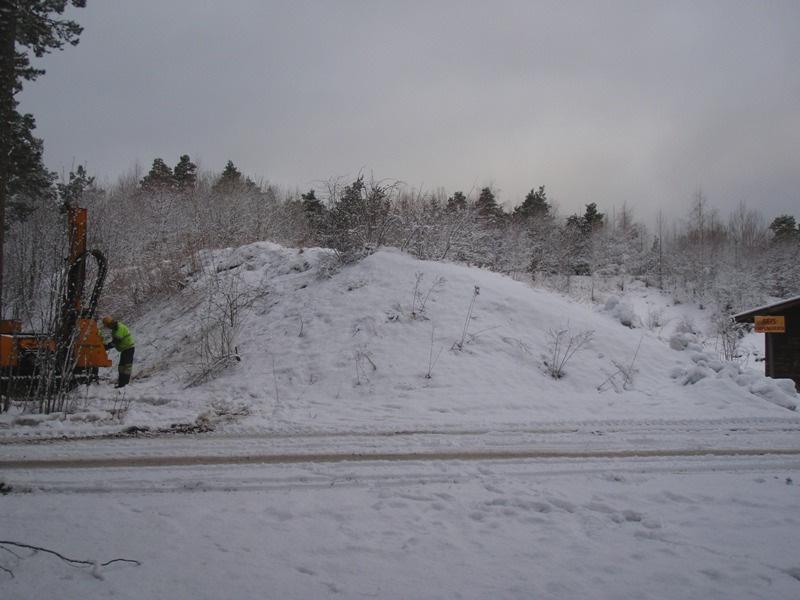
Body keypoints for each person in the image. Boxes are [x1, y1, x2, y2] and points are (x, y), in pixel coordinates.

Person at [101, 316, 135, 388]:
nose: (108, 327)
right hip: (125, 349)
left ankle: (124, 384)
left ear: (110, 324)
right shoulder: (115, 328)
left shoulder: (119, 328)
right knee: (121, 367)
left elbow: (116, 341)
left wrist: (106, 347)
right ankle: (121, 383)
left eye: (107, 326)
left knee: (126, 367)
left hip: (128, 348)